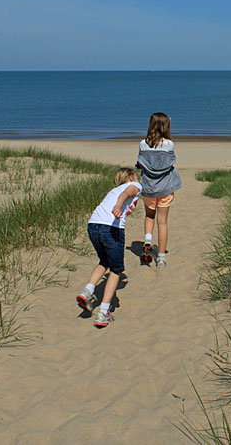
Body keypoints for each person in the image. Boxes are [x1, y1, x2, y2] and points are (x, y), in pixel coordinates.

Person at [76, 168, 141, 328]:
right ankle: (104, 312)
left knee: (103, 261)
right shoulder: (135, 186)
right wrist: (119, 206)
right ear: (131, 177)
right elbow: (126, 194)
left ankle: (87, 291)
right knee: (115, 270)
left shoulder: (113, 189)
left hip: (93, 225)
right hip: (110, 229)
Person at [136, 112, 182, 269]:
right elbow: (169, 163)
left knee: (149, 216)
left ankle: (148, 239)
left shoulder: (143, 144)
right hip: (165, 188)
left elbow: (141, 163)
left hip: (149, 187)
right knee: (162, 222)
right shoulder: (169, 144)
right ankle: (161, 257)